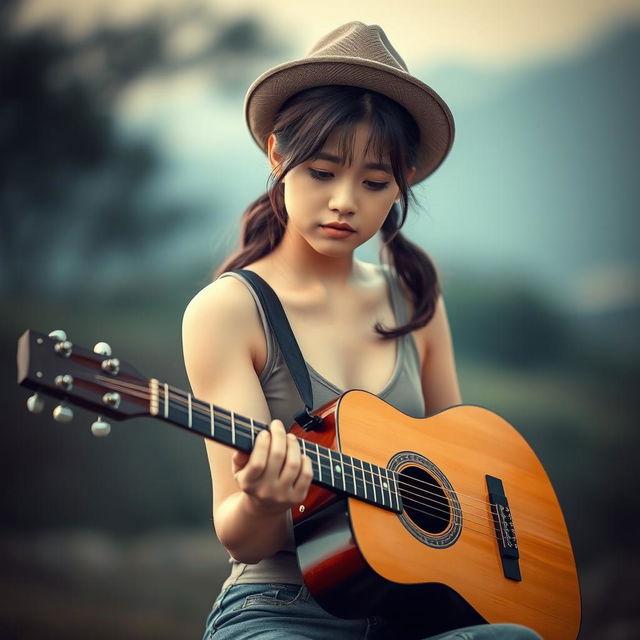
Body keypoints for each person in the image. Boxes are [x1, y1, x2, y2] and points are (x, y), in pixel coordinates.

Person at [183, 21, 542, 640]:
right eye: (322, 172)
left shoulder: (414, 302)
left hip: (413, 607)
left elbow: (462, 471)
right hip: (281, 607)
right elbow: (240, 532)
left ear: (400, 185)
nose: (345, 201)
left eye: (375, 183)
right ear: (276, 155)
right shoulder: (227, 312)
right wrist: (267, 498)